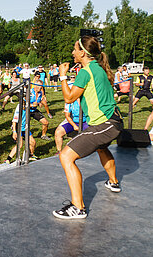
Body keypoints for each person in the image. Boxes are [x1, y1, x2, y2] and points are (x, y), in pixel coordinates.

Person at [53, 35, 123, 220]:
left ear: (83, 53)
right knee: (101, 147)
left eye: (75, 49)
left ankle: (78, 207)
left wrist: (62, 75)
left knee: (66, 156)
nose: (72, 52)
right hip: (113, 121)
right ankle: (114, 182)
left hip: (105, 123)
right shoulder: (98, 68)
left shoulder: (85, 72)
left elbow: (69, 98)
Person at [54, 76, 89, 152]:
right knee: (58, 132)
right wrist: (73, 125)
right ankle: (59, 151)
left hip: (86, 120)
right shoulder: (69, 101)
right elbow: (67, 115)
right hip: (73, 120)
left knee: (91, 137)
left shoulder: (87, 99)